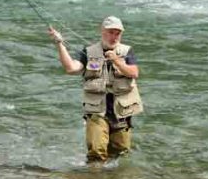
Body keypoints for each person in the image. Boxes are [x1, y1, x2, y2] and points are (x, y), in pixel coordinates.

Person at [49, 16, 143, 162]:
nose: (114, 36)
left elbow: (134, 73)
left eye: (117, 33)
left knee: (121, 153)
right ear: (102, 31)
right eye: (111, 32)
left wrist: (116, 60)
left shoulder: (127, 51)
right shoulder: (89, 51)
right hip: (97, 111)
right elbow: (71, 68)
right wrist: (59, 44)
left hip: (121, 112)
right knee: (96, 153)